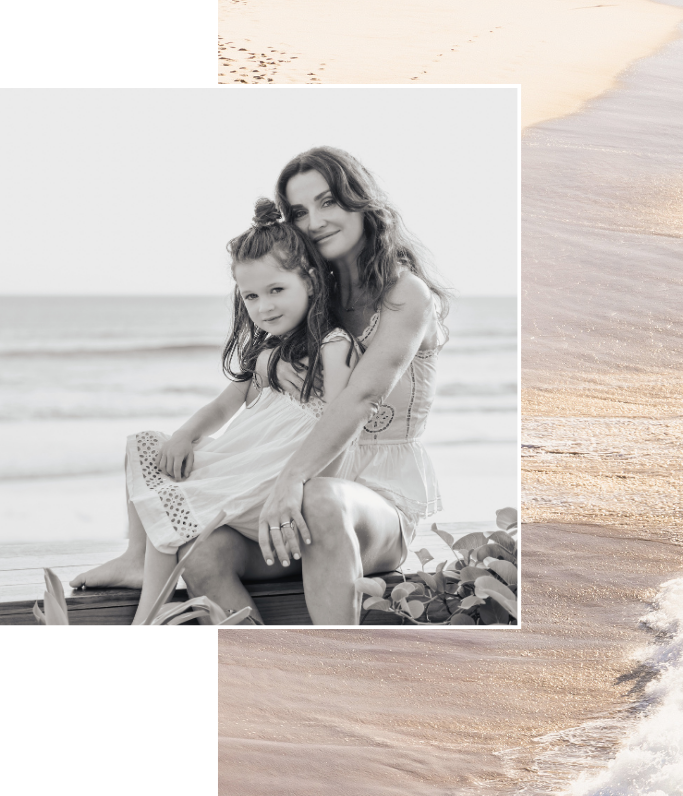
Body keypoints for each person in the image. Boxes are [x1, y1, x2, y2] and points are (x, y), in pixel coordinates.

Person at [176, 146, 452, 625]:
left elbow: (361, 398)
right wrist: (269, 363)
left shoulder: (406, 294)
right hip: (297, 495)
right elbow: (261, 359)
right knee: (200, 553)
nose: (317, 220)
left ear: (361, 202)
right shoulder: (311, 289)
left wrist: (292, 480)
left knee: (321, 499)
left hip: (373, 507)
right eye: (300, 212)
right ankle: (265, 679)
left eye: (329, 202)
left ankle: (336, 667)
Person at [70, 200, 359, 625]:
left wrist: (309, 494)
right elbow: (226, 404)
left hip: (278, 474)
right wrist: (186, 434)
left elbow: (339, 427)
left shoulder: (334, 345)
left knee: (178, 497)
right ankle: (136, 558)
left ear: (311, 282)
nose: (264, 307)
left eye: (277, 290)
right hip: (249, 459)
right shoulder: (266, 346)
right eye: (252, 297)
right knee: (150, 450)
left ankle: (149, 614)